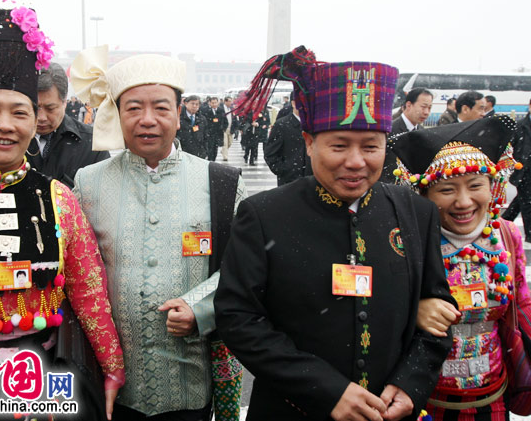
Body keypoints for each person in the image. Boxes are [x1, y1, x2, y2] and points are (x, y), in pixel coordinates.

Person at [215, 45, 455, 421]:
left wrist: (412, 383)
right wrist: (323, 389)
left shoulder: (415, 212)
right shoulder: (265, 214)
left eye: (371, 146)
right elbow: (238, 317)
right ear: (310, 143)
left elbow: (437, 317)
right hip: (290, 410)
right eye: (339, 145)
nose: (356, 162)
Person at [0, 6, 125, 421]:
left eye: (20, 112)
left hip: (42, 380)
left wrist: (112, 367)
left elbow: (89, 293)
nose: (5, 124)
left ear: (34, 120)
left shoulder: (60, 199)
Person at [70, 45, 247, 420]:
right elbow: (75, 270)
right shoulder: (87, 184)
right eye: (133, 108)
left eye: (161, 107)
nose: (147, 119)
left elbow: (244, 268)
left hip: (190, 384)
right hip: (112, 385)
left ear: (179, 115)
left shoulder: (221, 183)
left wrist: (201, 307)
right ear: (117, 116)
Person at [391, 114, 531, 420]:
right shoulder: (405, 243)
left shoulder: (506, 236)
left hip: (493, 397)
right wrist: (413, 311)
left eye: (475, 185)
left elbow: (521, 305)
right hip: (422, 400)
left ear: (493, 185)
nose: (464, 201)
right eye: (447, 190)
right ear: (423, 195)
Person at [26, 62, 109, 188]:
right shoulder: (10, 138)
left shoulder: (92, 143)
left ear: (64, 102)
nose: (41, 118)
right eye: (34, 108)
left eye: (50, 108)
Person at [381, 88, 434, 183]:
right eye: (423, 107)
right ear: (409, 105)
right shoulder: (389, 130)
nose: (426, 112)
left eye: (429, 108)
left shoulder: (423, 132)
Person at [264, 92, 312, 185]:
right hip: (289, 182)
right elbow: (270, 153)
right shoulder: (282, 125)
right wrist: (284, 170)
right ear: (294, 103)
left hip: (312, 181)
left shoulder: (313, 124)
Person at [503, 98, 531, 242]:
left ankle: (504, 221)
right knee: (527, 203)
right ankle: (530, 235)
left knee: (522, 201)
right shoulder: (520, 126)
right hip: (524, 171)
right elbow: (509, 147)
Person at [203, 96, 228, 161]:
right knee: (210, 147)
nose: (214, 104)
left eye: (215, 103)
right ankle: (210, 160)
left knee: (215, 148)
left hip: (218, 132)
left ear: (218, 103)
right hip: (209, 133)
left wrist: (224, 128)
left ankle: (213, 160)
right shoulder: (205, 110)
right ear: (210, 103)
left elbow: (225, 120)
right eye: (212, 103)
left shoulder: (221, 110)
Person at [221, 96, 235, 161]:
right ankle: (225, 156)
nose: (230, 103)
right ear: (225, 101)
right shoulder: (221, 109)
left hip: (230, 128)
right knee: (225, 143)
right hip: (224, 128)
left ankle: (223, 150)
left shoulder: (232, 109)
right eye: (229, 101)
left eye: (231, 101)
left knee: (230, 142)